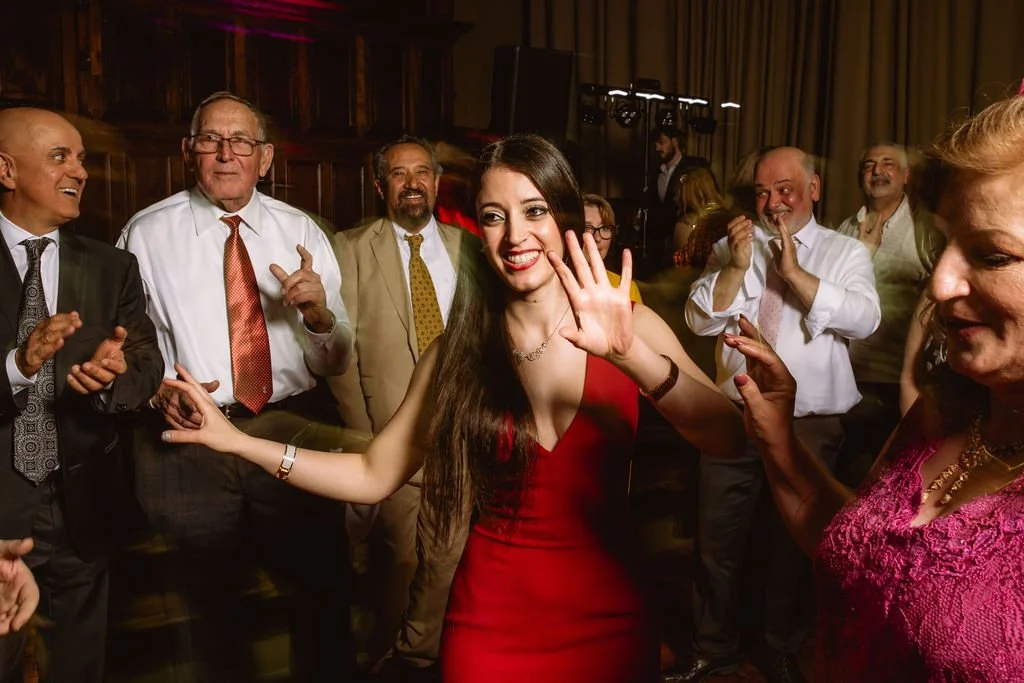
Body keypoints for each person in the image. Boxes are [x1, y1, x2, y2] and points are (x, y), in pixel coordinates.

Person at [161, 132, 746, 683]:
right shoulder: (456, 353)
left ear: (565, 216)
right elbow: (373, 474)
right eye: (495, 216)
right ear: (478, 232)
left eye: (535, 210)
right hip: (490, 625)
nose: (516, 235)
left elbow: (727, 438)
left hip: (609, 615)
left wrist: (632, 356)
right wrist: (239, 442)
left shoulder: (630, 323)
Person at [720, 93, 1024, 682]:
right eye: (942, 245)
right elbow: (859, 556)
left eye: (991, 254)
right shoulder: (942, 413)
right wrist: (778, 436)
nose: (938, 284)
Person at [117, 91, 354, 681]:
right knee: (206, 607)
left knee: (320, 593)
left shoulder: (301, 231)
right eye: (209, 140)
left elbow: (338, 357)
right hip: (190, 439)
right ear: (187, 150)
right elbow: (125, 350)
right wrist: (154, 393)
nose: (225, 154)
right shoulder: (144, 236)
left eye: (241, 141)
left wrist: (320, 318)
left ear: (266, 157)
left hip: (290, 426)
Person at [677, 147, 879, 683]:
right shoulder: (733, 245)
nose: (772, 203)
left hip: (808, 423)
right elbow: (698, 318)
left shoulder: (845, 252)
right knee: (717, 535)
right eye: (763, 193)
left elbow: (865, 319)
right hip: (735, 410)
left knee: (792, 545)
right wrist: (739, 266)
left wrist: (795, 276)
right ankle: (711, 649)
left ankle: (780, 648)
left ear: (814, 188)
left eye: (785, 190)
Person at [0, 107, 164, 682]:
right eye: (59, 156)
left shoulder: (112, 266)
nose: (81, 170)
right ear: (6, 169)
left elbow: (145, 362)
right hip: (1, 504)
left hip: (83, 506)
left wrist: (111, 379)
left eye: (83, 158)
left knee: (79, 663)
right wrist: (18, 366)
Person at [328, 134, 475, 679]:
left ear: (437, 183)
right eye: (398, 174)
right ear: (379, 185)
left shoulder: (472, 252)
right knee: (401, 564)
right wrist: (367, 439)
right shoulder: (350, 248)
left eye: (421, 173)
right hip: (391, 439)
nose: (411, 183)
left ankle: (440, 660)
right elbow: (342, 356)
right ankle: (395, 665)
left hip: (463, 438)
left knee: (457, 564)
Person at [834, 143, 942, 485]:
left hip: (898, 380)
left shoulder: (925, 229)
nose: (877, 171)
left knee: (892, 481)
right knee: (841, 479)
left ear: (906, 175)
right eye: (869, 165)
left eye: (888, 164)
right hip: (848, 377)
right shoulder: (846, 229)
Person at [582, 193, 643, 303]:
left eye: (605, 228)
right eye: (588, 227)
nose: (597, 237)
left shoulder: (626, 289)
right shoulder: (553, 286)